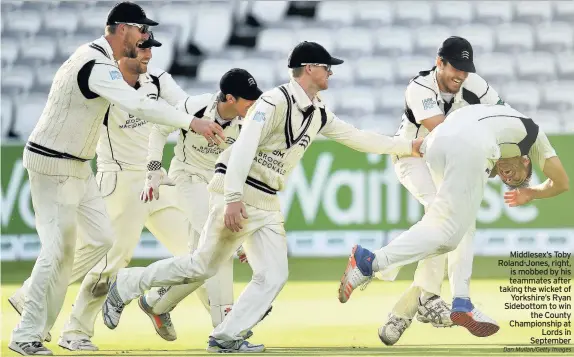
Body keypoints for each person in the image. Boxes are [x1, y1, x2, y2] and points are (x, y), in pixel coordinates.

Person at [101, 41, 422, 353]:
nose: (331, 74)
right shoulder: (273, 102)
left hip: (268, 203)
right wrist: (232, 198)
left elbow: (358, 138)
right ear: (309, 69)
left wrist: (407, 147)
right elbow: (242, 147)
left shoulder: (319, 113)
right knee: (202, 265)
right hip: (243, 194)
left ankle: (226, 335)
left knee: (274, 274)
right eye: (327, 68)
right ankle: (128, 284)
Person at [8, 2, 224, 356]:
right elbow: (141, 107)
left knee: (101, 242)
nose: (147, 44)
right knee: (62, 251)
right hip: (60, 165)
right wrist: (193, 123)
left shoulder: (136, 74)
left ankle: (163, 306)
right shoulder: (97, 65)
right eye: (142, 34)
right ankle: (32, 333)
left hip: (87, 167)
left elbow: (179, 104)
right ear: (123, 28)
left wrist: (216, 106)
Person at [339, 104, 569, 342]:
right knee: (449, 234)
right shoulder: (535, 138)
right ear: (525, 160)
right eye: (515, 175)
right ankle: (372, 262)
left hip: (437, 142)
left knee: (457, 225)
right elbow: (561, 182)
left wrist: (525, 190)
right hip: (469, 145)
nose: (507, 176)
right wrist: (530, 192)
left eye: (507, 178)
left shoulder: (503, 121)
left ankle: (457, 299)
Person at [379, 36, 506, 344]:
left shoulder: (476, 85)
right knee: (444, 214)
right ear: (439, 63)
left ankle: (413, 305)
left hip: (445, 162)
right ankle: (403, 278)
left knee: (461, 224)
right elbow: (441, 128)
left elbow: (504, 118)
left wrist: (509, 154)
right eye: (455, 69)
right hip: (412, 157)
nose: (460, 76)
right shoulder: (419, 87)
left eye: (465, 69)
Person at [139, 68, 265, 340]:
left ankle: (156, 302)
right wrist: (152, 170)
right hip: (187, 177)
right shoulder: (195, 106)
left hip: (218, 186)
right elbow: (159, 129)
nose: (253, 104)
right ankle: (226, 326)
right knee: (220, 243)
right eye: (248, 99)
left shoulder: (248, 122)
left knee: (202, 260)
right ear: (229, 98)